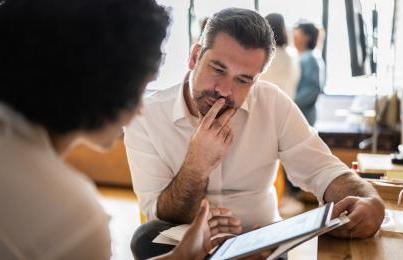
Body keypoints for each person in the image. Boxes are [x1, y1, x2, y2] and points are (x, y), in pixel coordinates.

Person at [125, 7, 385, 259]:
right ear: (194, 57)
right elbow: (158, 213)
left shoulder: (272, 103)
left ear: (256, 79)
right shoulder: (146, 116)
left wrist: (369, 199)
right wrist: (197, 164)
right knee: (145, 238)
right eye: (218, 69)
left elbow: (323, 171)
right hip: (186, 242)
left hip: (259, 240)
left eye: (243, 80)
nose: (225, 91)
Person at [0, 0, 217, 259]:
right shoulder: (75, 218)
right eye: (140, 87)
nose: (140, 109)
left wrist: (178, 256)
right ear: (106, 84)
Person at [260, 13, 300, 98]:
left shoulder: (260, 54)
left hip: (262, 101)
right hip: (285, 101)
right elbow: (294, 81)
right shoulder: (291, 56)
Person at [293, 22, 326, 126]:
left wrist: (289, 104)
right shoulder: (303, 57)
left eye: (297, 33)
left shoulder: (310, 59)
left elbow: (312, 90)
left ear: (306, 37)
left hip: (303, 116)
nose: (293, 36)